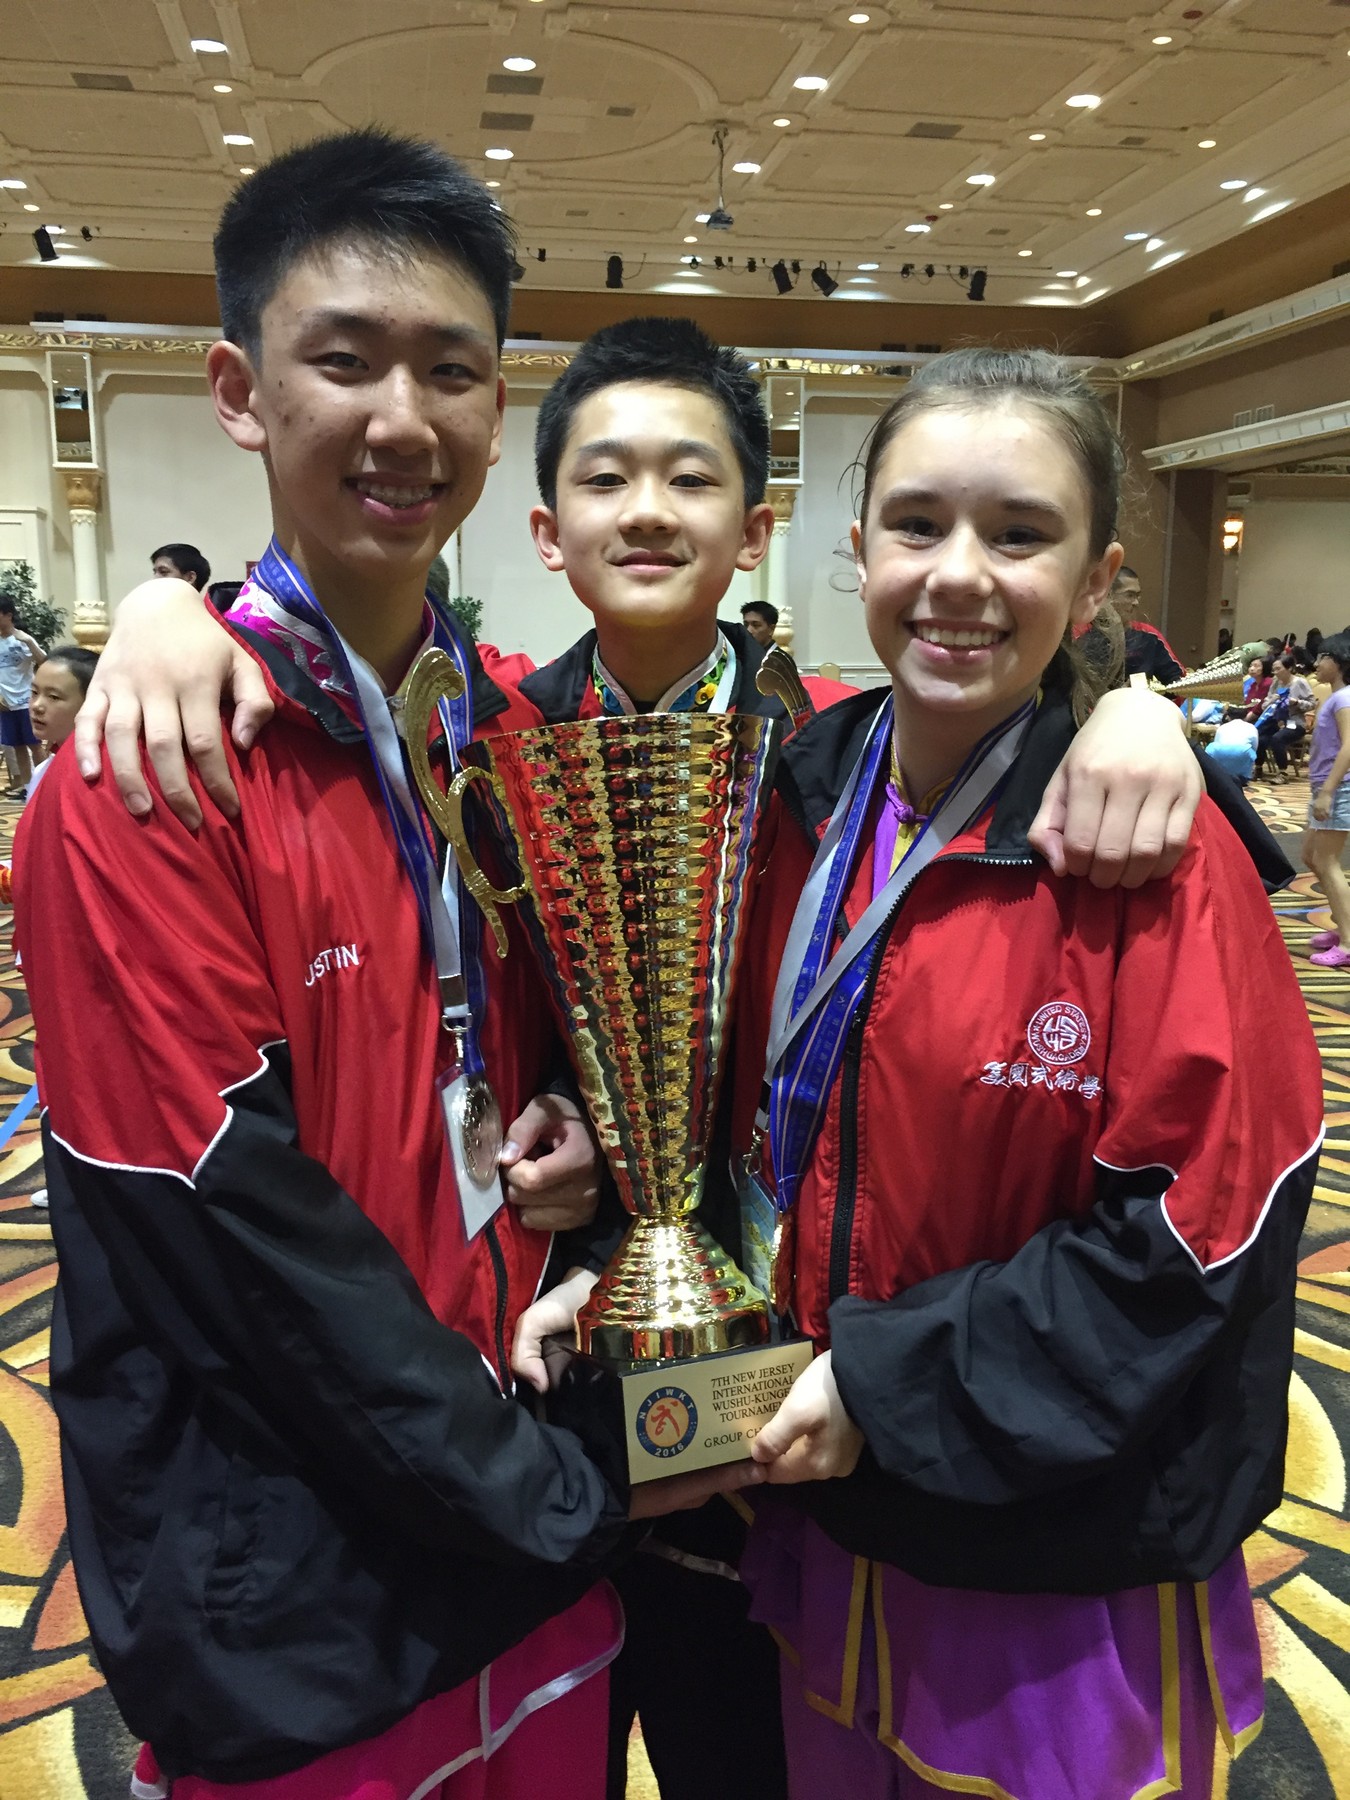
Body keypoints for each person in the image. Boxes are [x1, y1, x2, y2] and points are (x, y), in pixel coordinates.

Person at [70, 311, 1212, 1800]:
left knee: (758, 1748)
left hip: (802, 1393)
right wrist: (171, 612)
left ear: (758, 530)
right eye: (606, 479)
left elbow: (997, 736)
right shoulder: (488, 741)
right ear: (546, 529)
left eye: (693, 478)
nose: (649, 513)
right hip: (563, 1382)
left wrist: (1126, 708)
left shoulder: (835, 754)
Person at [18, 129, 765, 1800]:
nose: (402, 420)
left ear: (498, 413)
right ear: (239, 389)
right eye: (343, 362)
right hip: (306, 1588)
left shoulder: (500, 738)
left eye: (450, 370)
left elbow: (567, 1032)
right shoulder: (153, 775)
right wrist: (541, 1491)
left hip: (527, 1523)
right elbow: (229, 1233)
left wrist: (570, 1121)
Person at [700, 348, 1317, 1798]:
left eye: (1019, 533)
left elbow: (1193, 1242)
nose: (959, 575)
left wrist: (887, 1381)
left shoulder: (1154, 859)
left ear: (1094, 584)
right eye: (918, 524)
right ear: (858, 549)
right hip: (820, 1491)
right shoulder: (794, 796)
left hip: (1047, 1545)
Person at [1303, 633, 1350, 968]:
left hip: (1337, 788)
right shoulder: (1336, 697)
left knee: (1328, 862)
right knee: (1311, 857)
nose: (1317, 664)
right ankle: (1342, 923)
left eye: (1323, 657)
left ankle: (1348, 942)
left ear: (1340, 662)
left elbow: (1349, 746)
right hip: (1324, 786)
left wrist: (1329, 791)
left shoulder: (1344, 698)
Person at [27, 643, 98, 799]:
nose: (36, 706)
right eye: (34, 692)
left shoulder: (95, 775)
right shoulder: (42, 770)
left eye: (53, 697)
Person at [0, 592, 46, 795]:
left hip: (26, 700)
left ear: (8, 615)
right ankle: (28, 788)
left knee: (34, 745)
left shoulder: (22, 639)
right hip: (5, 704)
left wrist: (29, 641)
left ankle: (44, 784)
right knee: (18, 746)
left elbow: (44, 661)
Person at [1108, 564, 1183, 684]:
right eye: (1130, 595)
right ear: (1108, 595)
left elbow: (1177, 680)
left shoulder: (1149, 636)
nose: (1136, 602)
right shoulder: (1082, 636)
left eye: (1137, 596)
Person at [1253, 651, 1314, 779]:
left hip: (1294, 722)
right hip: (1276, 721)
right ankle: (1258, 768)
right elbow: (1265, 705)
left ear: (1289, 668)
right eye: (1273, 669)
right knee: (1259, 737)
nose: (1275, 672)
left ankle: (1282, 773)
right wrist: (1272, 700)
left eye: (1278, 669)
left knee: (1278, 738)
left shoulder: (1299, 682)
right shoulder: (1276, 683)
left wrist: (1296, 702)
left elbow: (1312, 704)